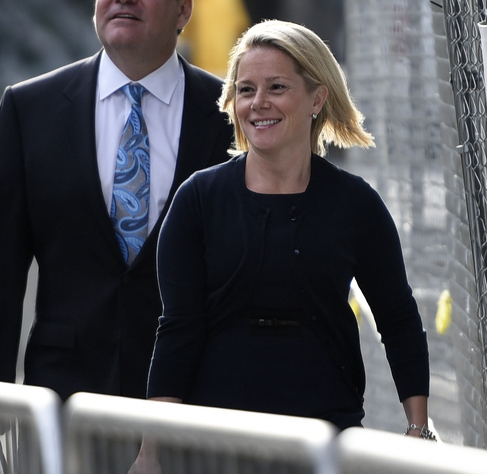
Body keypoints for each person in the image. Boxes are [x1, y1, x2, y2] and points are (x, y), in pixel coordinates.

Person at [132, 20, 432, 469]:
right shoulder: (198, 200)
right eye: (246, 89)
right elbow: (177, 328)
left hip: (325, 442)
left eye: (276, 87)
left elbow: (399, 319)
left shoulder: (355, 204)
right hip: (216, 445)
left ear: (317, 97)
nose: (258, 104)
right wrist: (151, 452)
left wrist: (418, 429)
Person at [0, 0, 234, 402]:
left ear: (183, 11)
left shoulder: (234, 118)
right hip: (64, 404)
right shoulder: (29, 109)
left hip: (193, 411)